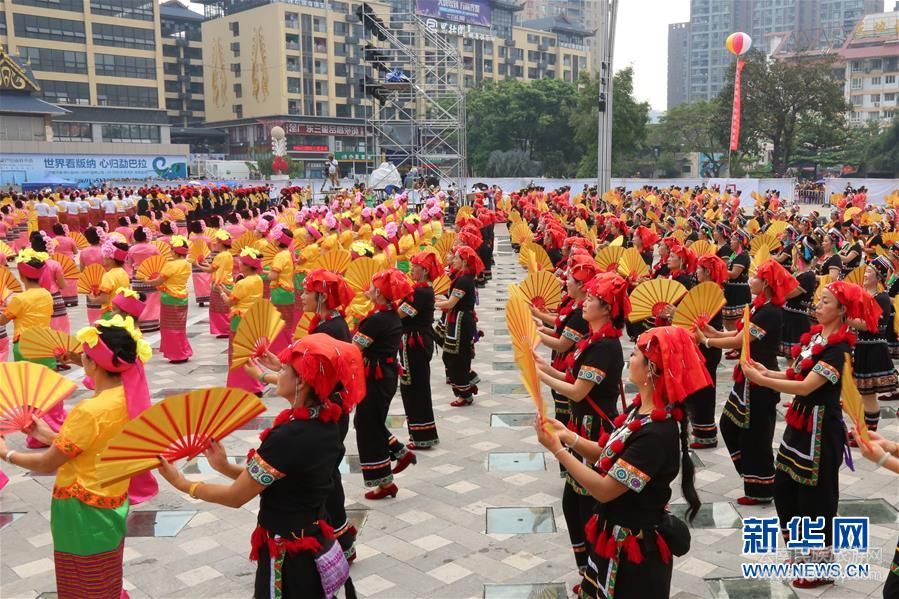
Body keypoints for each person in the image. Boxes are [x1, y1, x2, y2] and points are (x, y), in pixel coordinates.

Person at [158, 334, 361, 599]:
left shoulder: (289, 436)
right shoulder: (326, 422)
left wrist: (182, 484)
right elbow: (275, 478)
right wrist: (223, 466)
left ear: (301, 381)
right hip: (314, 541)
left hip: (291, 557)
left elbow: (236, 497)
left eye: (285, 369)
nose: (280, 372)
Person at [535, 326, 707, 599]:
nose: (631, 357)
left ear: (652, 369)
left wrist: (558, 451)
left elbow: (605, 488)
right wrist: (569, 438)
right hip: (612, 541)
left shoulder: (656, 434)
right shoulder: (640, 411)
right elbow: (607, 454)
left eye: (637, 353)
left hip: (635, 556)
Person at [0, 318, 152, 599]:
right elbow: (91, 446)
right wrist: (47, 434)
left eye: (84, 354)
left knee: (82, 576)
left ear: (94, 363)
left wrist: (7, 452)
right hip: (113, 499)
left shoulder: (90, 410)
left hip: (81, 506)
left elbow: (47, 464)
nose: (80, 357)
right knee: (105, 569)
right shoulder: (128, 396)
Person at [743, 280, 872, 589]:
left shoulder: (838, 350)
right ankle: (801, 553)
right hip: (800, 422)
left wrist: (762, 381)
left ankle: (820, 565)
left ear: (842, 310)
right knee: (785, 487)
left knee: (816, 497)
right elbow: (795, 374)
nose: (817, 306)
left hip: (820, 428)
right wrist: (765, 371)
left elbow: (804, 387)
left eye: (825, 302)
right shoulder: (816, 338)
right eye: (818, 300)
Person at [534, 271, 629, 577]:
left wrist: (540, 376)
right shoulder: (593, 338)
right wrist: (541, 367)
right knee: (572, 502)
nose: (585, 302)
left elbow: (578, 391)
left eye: (592, 299)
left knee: (586, 505)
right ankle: (585, 570)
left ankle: (594, 572)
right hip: (580, 424)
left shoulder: (605, 347)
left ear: (607, 308)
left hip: (594, 429)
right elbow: (571, 378)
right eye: (586, 296)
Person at [697, 259, 795, 505]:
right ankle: (752, 474)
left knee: (757, 436)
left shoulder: (771, 312)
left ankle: (760, 488)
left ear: (766, 284)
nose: (750, 280)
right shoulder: (761, 306)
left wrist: (708, 341)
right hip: (749, 378)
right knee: (730, 423)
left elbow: (741, 340)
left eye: (755, 277)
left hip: (760, 380)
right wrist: (713, 332)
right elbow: (737, 334)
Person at [352, 269, 412, 500]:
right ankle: (398, 452)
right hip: (383, 375)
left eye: (371, 285)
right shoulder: (390, 315)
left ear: (378, 292)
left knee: (368, 426)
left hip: (376, 377)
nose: (366, 287)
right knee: (367, 422)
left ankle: (384, 482)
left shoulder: (376, 320)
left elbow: (354, 348)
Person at [1, 248, 65, 447]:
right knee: (48, 386)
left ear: (20, 273)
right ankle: (54, 426)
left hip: (25, 345)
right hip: (45, 342)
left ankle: (37, 434)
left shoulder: (20, 299)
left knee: (31, 390)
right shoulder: (46, 294)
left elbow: (3, 320)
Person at [398, 251, 440, 450]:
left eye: (414, 266)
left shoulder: (421, 292)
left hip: (416, 343)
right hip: (414, 342)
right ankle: (419, 432)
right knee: (413, 387)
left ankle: (422, 433)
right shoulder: (419, 289)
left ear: (424, 270)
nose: (411, 269)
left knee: (416, 388)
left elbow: (401, 315)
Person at [687, 254, 728, 449]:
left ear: (708, 272)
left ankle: (707, 434)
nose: (696, 272)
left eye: (700, 269)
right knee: (697, 390)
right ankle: (700, 430)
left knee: (704, 390)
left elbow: (705, 322)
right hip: (702, 344)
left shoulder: (714, 294)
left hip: (709, 346)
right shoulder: (703, 291)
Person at [435, 246, 483, 407]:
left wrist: (431, 302)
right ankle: (467, 384)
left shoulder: (463, 280)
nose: (453, 260)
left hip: (461, 323)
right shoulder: (461, 277)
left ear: (463, 262)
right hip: (458, 320)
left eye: (456, 258)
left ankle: (465, 393)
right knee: (452, 356)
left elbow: (450, 303)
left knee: (457, 358)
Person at [222, 248, 265, 394]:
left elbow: (230, 302)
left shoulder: (243, 283)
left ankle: (242, 385)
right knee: (249, 352)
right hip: (253, 318)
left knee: (238, 353)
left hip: (239, 320)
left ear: (247, 265)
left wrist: (221, 293)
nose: (239, 264)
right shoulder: (257, 279)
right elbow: (238, 295)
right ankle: (254, 384)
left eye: (241, 262)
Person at [146, 235, 193, 363]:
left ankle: (176, 354)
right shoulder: (187, 264)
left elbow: (158, 282)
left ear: (175, 251)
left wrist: (147, 281)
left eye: (172, 249)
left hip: (169, 298)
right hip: (182, 296)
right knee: (180, 327)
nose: (170, 252)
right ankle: (183, 351)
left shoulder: (170, 265)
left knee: (169, 328)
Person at [127, 226, 162, 333]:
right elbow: (160, 261)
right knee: (153, 299)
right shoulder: (153, 248)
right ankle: (153, 322)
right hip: (152, 275)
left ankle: (141, 321)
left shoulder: (132, 249)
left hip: (138, 276)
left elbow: (129, 264)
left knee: (140, 298)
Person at [93, 240, 131, 321]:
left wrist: (92, 299)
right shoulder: (123, 272)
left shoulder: (108, 276)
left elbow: (104, 299)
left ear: (110, 259)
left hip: (110, 313)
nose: (103, 258)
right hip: (122, 311)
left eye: (105, 257)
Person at [80, 227, 106, 324]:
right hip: (104, 281)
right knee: (104, 305)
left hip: (90, 283)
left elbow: (82, 270)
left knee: (92, 308)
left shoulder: (83, 252)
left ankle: (93, 326)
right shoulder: (104, 251)